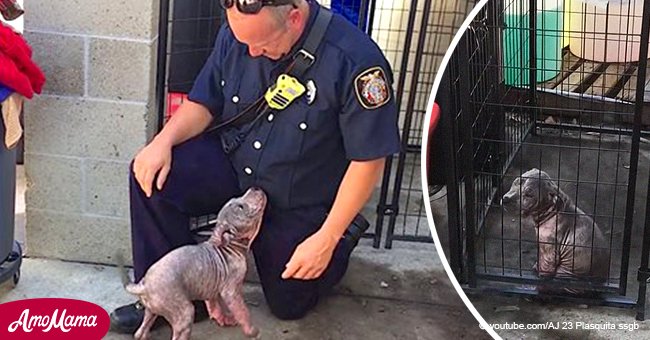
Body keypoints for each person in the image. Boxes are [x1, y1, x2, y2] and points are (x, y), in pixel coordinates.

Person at [110, 0, 400, 333]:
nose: (250, 53)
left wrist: (328, 237)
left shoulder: (356, 61)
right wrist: (162, 142)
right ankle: (172, 297)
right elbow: (204, 101)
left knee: (289, 303)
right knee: (152, 176)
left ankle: (340, 242)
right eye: (242, 42)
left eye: (261, 44)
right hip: (236, 164)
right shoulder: (239, 33)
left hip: (297, 192)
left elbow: (368, 160)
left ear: (293, 18)